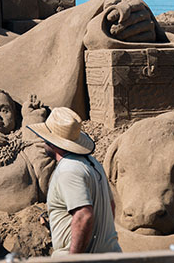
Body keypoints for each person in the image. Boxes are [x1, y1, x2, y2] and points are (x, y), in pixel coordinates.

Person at [27, 107, 121, 254]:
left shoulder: (68, 170)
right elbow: (111, 206)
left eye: (45, 137)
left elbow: (84, 215)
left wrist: (74, 260)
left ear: (53, 142)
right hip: (109, 259)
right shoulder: (93, 163)